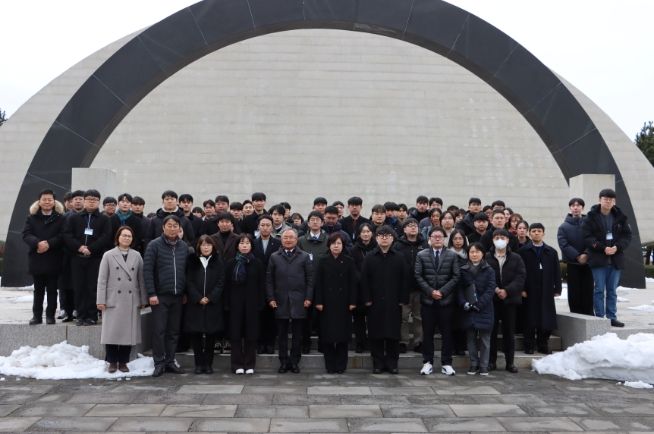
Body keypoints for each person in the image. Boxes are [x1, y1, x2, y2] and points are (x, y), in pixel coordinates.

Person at [96, 226, 147, 373]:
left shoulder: (137, 255)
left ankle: (124, 361)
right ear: (118, 237)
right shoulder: (108, 255)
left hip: (131, 300)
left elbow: (141, 279)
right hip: (113, 299)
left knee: (127, 333)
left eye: (129, 236)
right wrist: (100, 300)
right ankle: (112, 361)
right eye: (124, 235)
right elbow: (102, 280)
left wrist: (143, 299)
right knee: (111, 332)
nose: (126, 238)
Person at [144, 215, 189, 377]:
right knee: (159, 330)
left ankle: (170, 361)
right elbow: (147, 270)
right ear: (163, 227)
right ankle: (159, 362)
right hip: (160, 296)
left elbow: (186, 271)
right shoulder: (154, 245)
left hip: (178, 296)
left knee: (173, 331)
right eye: (169, 225)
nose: (172, 228)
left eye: (175, 225)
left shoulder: (183, 246)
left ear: (179, 228)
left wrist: (185, 292)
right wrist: (151, 293)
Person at [361, 225, 409, 374]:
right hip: (374, 302)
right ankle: (378, 363)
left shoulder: (399, 257)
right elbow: (364, 280)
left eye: (387, 236)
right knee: (375, 334)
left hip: (394, 302)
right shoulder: (369, 257)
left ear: (392, 239)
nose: (384, 238)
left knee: (393, 334)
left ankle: (392, 363)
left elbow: (405, 280)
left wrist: (403, 299)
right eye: (381, 235)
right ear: (376, 238)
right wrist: (367, 299)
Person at [582, 188, 632, 327]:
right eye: (605, 199)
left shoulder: (620, 217)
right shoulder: (590, 217)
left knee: (612, 291)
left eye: (611, 199)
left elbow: (627, 236)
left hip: (615, 259)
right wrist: (602, 247)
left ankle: (611, 317)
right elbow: (587, 237)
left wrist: (617, 247)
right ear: (600, 200)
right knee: (599, 290)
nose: (608, 201)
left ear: (614, 201)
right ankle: (600, 318)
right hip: (598, 259)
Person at [414, 226, 460, 376]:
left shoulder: (452, 255)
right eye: (435, 236)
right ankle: (427, 362)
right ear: (430, 239)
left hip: (446, 302)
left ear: (445, 239)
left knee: (447, 334)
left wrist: (442, 292)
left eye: (440, 236)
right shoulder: (421, 255)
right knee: (427, 333)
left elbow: (456, 276)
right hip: (428, 302)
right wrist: (430, 291)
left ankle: (447, 363)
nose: (438, 238)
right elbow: (418, 275)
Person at [63, 189, 113, 326]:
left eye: (95, 200)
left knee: (92, 287)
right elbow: (67, 235)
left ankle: (92, 315)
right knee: (78, 287)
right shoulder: (74, 218)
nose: (92, 202)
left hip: (95, 258)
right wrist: (79, 247)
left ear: (99, 202)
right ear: (84, 201)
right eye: (89, 199)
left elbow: (106, 236)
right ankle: (80, 315)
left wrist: (91, 248)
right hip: (77, 257)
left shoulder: (104, 219)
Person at [267, 229, 313, 374]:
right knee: (281, 334)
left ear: (296, 239)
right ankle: (283, 361)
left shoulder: (304, 256)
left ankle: (294, 362)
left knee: (297, 335)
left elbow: (310, 279)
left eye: (291, 237)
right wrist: (271, 298)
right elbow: (269, 280)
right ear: (281, 240)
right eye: (285, 237)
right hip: (280, 300)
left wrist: (308, 297)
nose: (288, 240)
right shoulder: (274, 256)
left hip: (299, 300)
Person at [314, 233, 357, 373]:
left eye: (339, 243)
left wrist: (352, 301)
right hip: (327, 303)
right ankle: (330, 365)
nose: (336, 246)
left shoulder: (349, 261)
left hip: (344, 303)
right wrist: (318, 301)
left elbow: (353, 283)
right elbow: (318, 283)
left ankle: (341, 365)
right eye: (333, 243)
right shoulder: (323, 260)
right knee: (328, 335)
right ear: (329, 245)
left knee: (342, 336)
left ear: (343, 245)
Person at [22, 189, 65, 325]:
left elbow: (63, 236)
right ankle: (36, 316)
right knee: (38, 290)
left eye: (50, 199)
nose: (47, 202)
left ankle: (50, 316)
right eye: (44, 199)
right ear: (39, 202)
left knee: (52, 290)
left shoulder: (60, 218)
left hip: (54, 257)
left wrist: (49, 244)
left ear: (54, 202)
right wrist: (37, 243)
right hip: (37, 258)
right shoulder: (32, 218)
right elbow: (26, 234)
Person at [184, 235, 225, 374]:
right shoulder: (192, 260)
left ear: (213, 246)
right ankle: (198, 364)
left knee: (210, 336)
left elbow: (221, 281)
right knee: (196, 335)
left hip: (212, 304)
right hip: (195, 303)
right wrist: (197, 297)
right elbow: (188, 281)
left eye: (208, 245)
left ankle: (208, 364)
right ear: (199, 247)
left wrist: (210, 297)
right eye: (203, 245)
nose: (206, 247)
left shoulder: (218, 261)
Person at [225, 234, 265, 374]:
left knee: (251, 335)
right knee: (235, 335)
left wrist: (261, 302)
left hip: (252, 304)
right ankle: (237, 365)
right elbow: (226, 286)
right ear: (237, 246)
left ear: (251, 246)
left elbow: (261, 284)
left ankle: (249, 364)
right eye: (242, 243)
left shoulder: (257, 263)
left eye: (247, 243)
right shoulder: (231, 263)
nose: (244, 245)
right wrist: (227, 303)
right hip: (235, 304)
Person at [486, 228, 525, 372]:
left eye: (503, 237)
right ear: (492, 240)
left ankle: (510, 362)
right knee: (491, 332)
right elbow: (484, 277)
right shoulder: (487, 257)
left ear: (508, 240)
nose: (500, 240)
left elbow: (520, 277)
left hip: (510, 300)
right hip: (492, 300)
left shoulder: (516, 258)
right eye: (497, 237)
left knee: (509, 332)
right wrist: (496, 289)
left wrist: (507, 291)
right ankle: (491, 361)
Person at [519, 223, 561, 354]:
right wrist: (522, 288)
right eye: (533, 231)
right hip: (529, 289)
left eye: (539, 231)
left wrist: (557, 288)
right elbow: (520, 272)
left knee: (546, 318)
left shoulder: (551, 251)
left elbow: (557, 271)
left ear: (543, 233)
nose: (536, 233)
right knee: (529, 318)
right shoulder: (523, 251)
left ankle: (543, 344)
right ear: (529, 233)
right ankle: (529, 345)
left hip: (546, 289)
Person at [459, 243, 495, 376]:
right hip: (468, 309)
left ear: (483, 254)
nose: (474, 254)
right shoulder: (463, 270)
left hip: (484, 308)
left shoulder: (489, 270)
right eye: (472, 252)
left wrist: (479, 304)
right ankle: (474, 364)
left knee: (485, 339)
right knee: (471, 338)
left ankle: (484, 365)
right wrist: (464, 303)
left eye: (477, 252)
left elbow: (490, 289)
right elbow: (459, 290)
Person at [393, 218, 428, 353]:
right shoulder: (398, 245)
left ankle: (419, 342)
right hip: (403, 288)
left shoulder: (424, 244)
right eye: (410, 225)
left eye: (415, 226)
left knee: (419, 317)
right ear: (404, 229)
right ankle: (403, 341)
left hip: (420, 288)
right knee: (403, 317)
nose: (413, 228)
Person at [558, 198, 594, 315]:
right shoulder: (563, 227)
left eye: (578, 205)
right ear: (570, 208)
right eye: (573, 205)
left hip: (588, 263)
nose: (576, 207)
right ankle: (575, 314)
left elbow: (594, 241)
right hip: (573, 263)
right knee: (574, 291)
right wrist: (578, 256)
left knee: (588, 290)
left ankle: (589, 314)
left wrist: (586, 254)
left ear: (582, 208)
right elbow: (564, 244)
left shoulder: (590, 225)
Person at [252, 215, 281, 354]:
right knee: (258, 315)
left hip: (274, 284)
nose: (265, 228)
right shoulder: (252, 243)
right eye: (262, 225)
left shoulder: (278, 243)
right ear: (258, 226)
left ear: (272, 227)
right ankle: (259, 343)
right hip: (256, 284)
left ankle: (270, 343)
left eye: (268, 225)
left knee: (271, 315)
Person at [350, 223, 377, 353]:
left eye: (368, 231)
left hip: (374, 289)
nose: (366, 234)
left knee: (373, 318)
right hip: (358, 289)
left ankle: (373, 342)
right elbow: (352, 268)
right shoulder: (353, 250)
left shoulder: (377, 248)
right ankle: (360, 343)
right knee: (359, 319)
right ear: (359, 234)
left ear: (372, 233)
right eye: (363, 232)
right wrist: (362, 279)